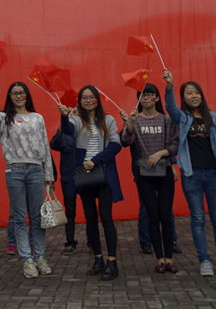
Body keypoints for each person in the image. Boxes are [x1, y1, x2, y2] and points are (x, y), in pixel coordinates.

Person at [162, 70, 216, 277]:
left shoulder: (214, 118)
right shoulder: (183, 118)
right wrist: (169, 87)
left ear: (202, 96)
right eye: (189, 93)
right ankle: (204, 260)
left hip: (214, 174)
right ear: (183, 98)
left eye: (197, 92)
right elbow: (171, 108)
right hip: (191, 174)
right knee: (197, 218)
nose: (194, 96)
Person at [0, 81, 54, 278]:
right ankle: (27, 260)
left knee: (37, 217)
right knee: (19, 217)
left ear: (27, 96)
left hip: (36, 170)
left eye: (21, 93)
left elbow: (45, 147)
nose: (18, 96)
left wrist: (49, 176)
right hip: (15, 171)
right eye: (14, 93)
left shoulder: (37, 118)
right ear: (9, 97)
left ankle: (39, 257)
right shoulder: (5, 118)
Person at [58, 86, 122, 280]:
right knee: (90, 218)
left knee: (106, 216)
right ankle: (98, 258)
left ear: (97, 99)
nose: (88, 100)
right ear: (79, 101)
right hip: (84, 176)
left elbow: (116, 145)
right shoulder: (76, 120)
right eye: (84, 98)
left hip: (103, 174)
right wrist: (63, 116)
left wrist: (95, 160)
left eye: (91, 97)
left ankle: (112, 261)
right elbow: (67, 132)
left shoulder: (108, 120)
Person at [121, 83, 179, 273]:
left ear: (157, 98)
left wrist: (161, 153)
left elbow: (175, 144)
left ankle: (169, 258)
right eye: (143, 95)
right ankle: (159, 258)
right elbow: (125, 141)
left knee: (165, 214)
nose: (146, 98)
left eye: (150, 95)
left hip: (165, 171)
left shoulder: (166, 120)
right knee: (152, 214)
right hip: (144, 174)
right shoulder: (136, 120)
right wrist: (130, 124)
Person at [49, 123, 79, 255]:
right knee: (70, 211)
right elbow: (54, 144)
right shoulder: (65, 133)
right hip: (68, 178)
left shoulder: (85, 129)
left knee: (89, 210)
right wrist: (59, 131)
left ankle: (91, 241)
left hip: (86, 175)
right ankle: (70, 241)